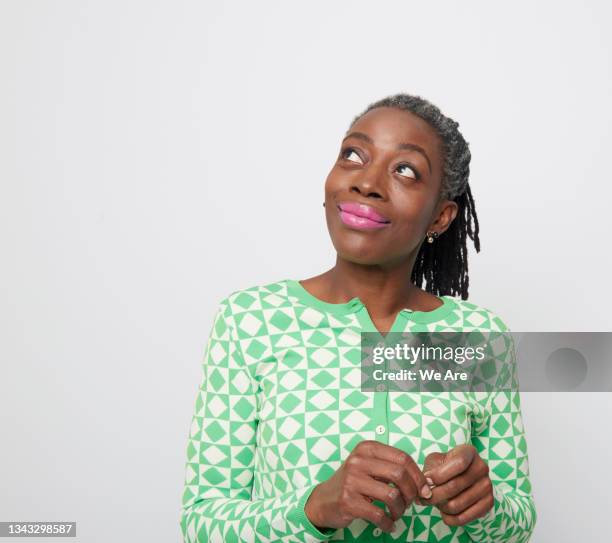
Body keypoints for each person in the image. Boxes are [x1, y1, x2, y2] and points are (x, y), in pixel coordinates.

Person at [179, 93, 537, 542]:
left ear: (440, 218)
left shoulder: (477, 336)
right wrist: (316, 508)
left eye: (405, 169)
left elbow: (518, 521)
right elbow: (201, 521)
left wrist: (485, 505)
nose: (367, 182)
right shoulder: (252, 320)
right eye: (353, 155)